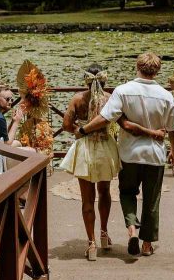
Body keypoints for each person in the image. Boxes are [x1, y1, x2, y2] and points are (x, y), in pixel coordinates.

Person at [79, 53, 174, 257]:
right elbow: (173, 129)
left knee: (127, 193)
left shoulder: (123, 91)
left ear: (137, 67)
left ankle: (132, 229)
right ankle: (146, 244)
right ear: (158, 71)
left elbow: (105, 117)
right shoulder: (165, 95)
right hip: (155, 154)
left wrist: (84, 130)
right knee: (152, 199)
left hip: (129, 153)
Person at [60, 65, 164, 261]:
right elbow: (124, 124)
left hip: (85, 148)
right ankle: (104, 234)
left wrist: (81, 130)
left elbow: (66, 125)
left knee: (87, 198)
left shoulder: (77, 100)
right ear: (104, 80)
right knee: (104, 191)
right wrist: (153, 133)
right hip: (105, 148)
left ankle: (91, 244)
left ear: (86, 81)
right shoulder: (110, 99)